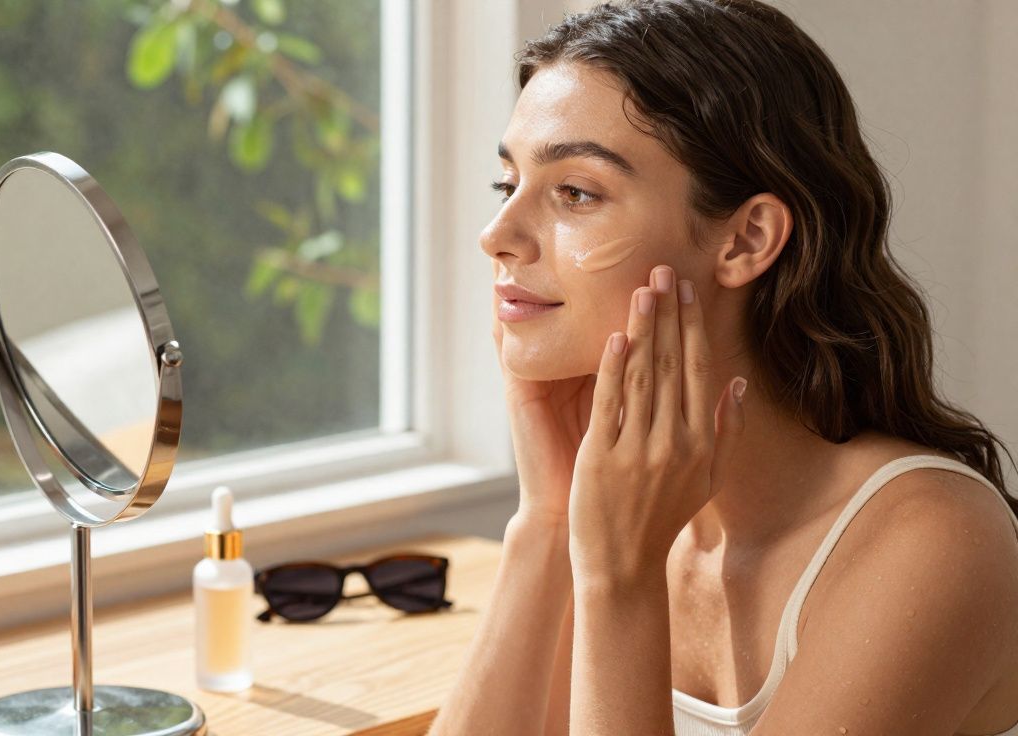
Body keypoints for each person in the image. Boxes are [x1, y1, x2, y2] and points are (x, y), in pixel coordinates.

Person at [427, 1, 1018, 734]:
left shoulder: (931, 543)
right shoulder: (618, 511)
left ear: (746, 240)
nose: (497, 235)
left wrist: (619, 581)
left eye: (575, 193)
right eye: (505, 184)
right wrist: (545, 523)